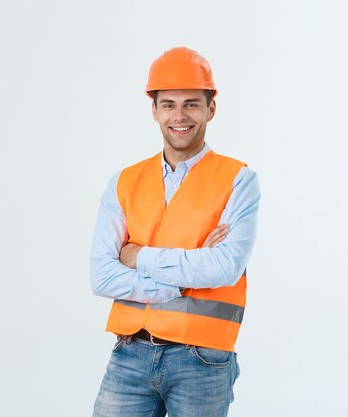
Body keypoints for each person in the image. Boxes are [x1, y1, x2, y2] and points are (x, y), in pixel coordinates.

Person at [90, 46, 261, 417]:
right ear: (154, 110)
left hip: (202, 360)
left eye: (191, 104)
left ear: (210, 109)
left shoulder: (238, 180)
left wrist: (138, 257)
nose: (179, 116)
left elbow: (225, 268)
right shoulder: (124, 182)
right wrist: (184, 278)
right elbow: (102, 276)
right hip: (129, 354)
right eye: (168, 104)